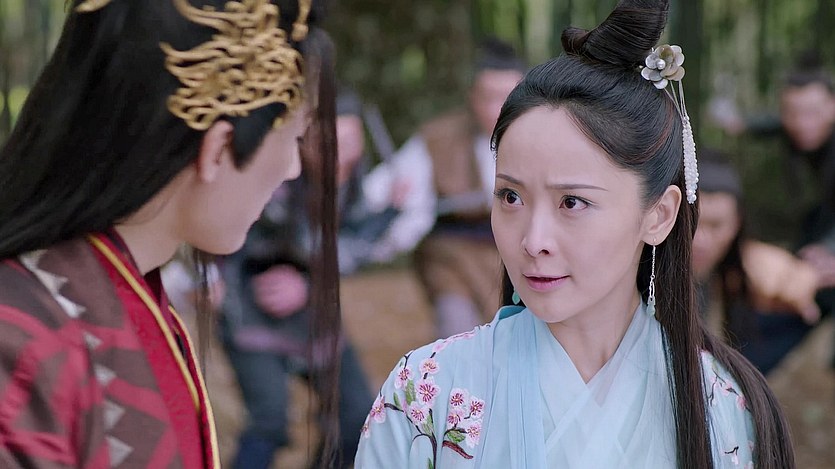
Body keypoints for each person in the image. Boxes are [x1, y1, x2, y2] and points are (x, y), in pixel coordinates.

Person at [355, 0, 794, 467]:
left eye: (572, 202)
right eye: (510, 197)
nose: (533, 241)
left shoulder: (726, 406)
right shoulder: (425, 394)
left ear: (659, 215)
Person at [0, 0, 341, 467]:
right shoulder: (21, 341)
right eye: (295, 139)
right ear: (219, 148)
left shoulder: (129, 297)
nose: (292, 168)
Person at [219, 89, 396, 468]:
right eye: (327, 141)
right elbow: (272, 239)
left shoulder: (354, 180)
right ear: (303, 140)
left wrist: (392, 212)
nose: (338, 154)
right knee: (269, 421)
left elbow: (353, 245)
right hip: (251, 310)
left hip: (313, 313)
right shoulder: (277, 175)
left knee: (356, 418)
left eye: (349, 142)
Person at [362, 38, 526, 337]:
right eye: (487, 97)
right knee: (456, 329)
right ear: (472, 97)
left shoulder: (543, 137)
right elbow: (379, 191)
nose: (496, 108)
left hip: (519, 255)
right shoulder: (440, 138)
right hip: (452, 257)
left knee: (522, 337)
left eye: (505, 97)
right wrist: (395, 200)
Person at [693, 149, 821, 375]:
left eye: (716, 226)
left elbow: (799, 281)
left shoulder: (747, 265)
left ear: (736, 224)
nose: (701, 239)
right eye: (693, 223)